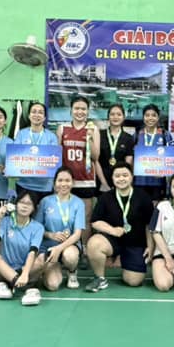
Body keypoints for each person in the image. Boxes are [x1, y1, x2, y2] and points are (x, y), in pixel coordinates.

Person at [86, 163, 155, 291]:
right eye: (117, 176)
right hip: (113, 241)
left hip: (135, 243)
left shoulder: (143, 197)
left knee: (133, 281)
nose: (121, 178)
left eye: (125, 175)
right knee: (94, 243)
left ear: (131, 177)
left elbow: (149, 224)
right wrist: (112, 230)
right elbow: (95, 222)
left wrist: (150, 246)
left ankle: (126, 264)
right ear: (112, 178)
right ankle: (100, 279)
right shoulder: (105, 197)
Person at [57, 95, 100, 243]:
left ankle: (84, 249)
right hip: (65, 181)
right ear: (71, 110)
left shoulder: (93, 129)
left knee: (85, 218)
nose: (80, 112)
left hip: (85, 181)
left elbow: (95, 156)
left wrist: (90, 138)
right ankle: (65, 247)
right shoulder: (62, 128)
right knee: (64, 216)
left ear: (88, 111)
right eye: (76, 108)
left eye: (83, 109)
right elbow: (56, 155)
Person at [0, 190, 45, 300]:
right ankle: (22, 285)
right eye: (22, 202)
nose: (24, 206)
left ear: (34, 208)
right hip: (4, 270)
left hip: (24, 269)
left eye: (29, 204)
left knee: (40, 260)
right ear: (16, 205)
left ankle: (16, 284)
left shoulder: (38, 227)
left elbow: (32, 252)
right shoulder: (5, 221)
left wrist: (25, 273)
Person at [35, 167, 84, 290]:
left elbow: (77, 234)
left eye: (67, 180)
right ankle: (51, 267)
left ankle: (72, 272)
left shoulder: (78, 203)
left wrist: (59, 248)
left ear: (73, 183)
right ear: (54, 183)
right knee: (52, 286)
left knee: (70, 256)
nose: (63, 184)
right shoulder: (45, 201)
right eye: (60, 180)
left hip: (69, 245)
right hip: (48, 246)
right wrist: (50, 235)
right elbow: (37, 228)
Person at [12, 101, 59, 203]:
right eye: (34, 112)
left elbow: (54, 161)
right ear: (29, 116)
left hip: (45, 186)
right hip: (24, 184)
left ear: (44, 117)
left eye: (40, 112)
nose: (37, 115)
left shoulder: (51, 137)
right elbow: (15, 158)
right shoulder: (21, 134)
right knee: (24, 211)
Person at [132, 104, 169, 201]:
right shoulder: (137, 134)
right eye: (147, 115)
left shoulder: (165, 134)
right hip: (139, 181)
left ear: (158, 117)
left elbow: (171, 157)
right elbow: (131, 157)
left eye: (153, 115)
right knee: (140, 207)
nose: (150, 118)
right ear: (143, 117)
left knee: (155, 208)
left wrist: (164, 171)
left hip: (158, 182)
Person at [96, 103, 135, 191]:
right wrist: (103, 183)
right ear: (108, 117)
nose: (115, 117)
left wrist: (124, 180)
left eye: (119, 114)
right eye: (112, 114)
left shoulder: (128, 138)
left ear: (123, 117)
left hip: (120, 180)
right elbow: (95, 160)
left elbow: (128, 163)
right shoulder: (99, 135)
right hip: (101, 179)